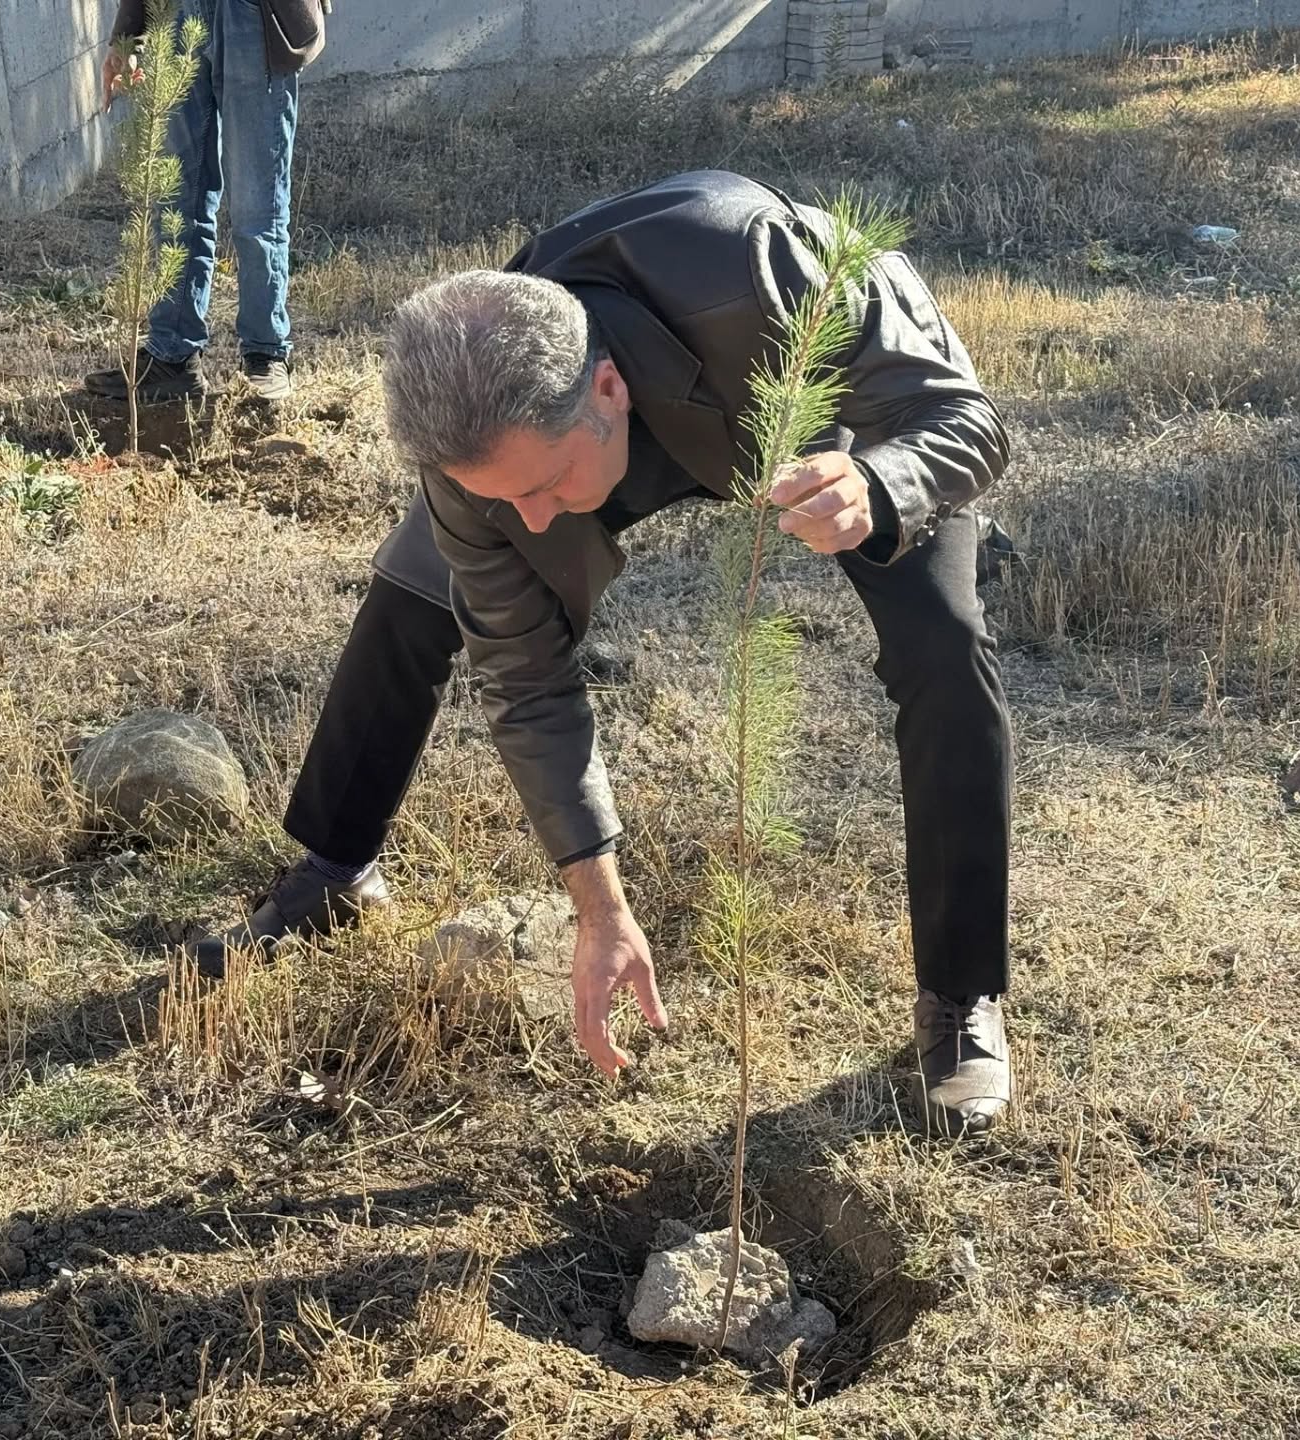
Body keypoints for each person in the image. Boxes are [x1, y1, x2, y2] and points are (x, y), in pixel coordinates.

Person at [194, 170, 1015, 1137]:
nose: (528, 520)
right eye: (501, 499)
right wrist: (598, 900)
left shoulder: (774, 276)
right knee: (421, 588)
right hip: (586, 429)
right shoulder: (486, 429)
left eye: (538, 489)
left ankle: (962, 1000)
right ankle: (335, 871)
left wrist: (883, 481)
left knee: (946, 643)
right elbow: (523, 676)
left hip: (826, 411)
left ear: (609, 390)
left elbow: (972, 424)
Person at [85, 0, 329, 407]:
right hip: (177, 14)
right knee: (176, 200)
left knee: (257, 204)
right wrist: (126, 36)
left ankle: (266, 353)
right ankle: (172, 357)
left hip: (255, 15)